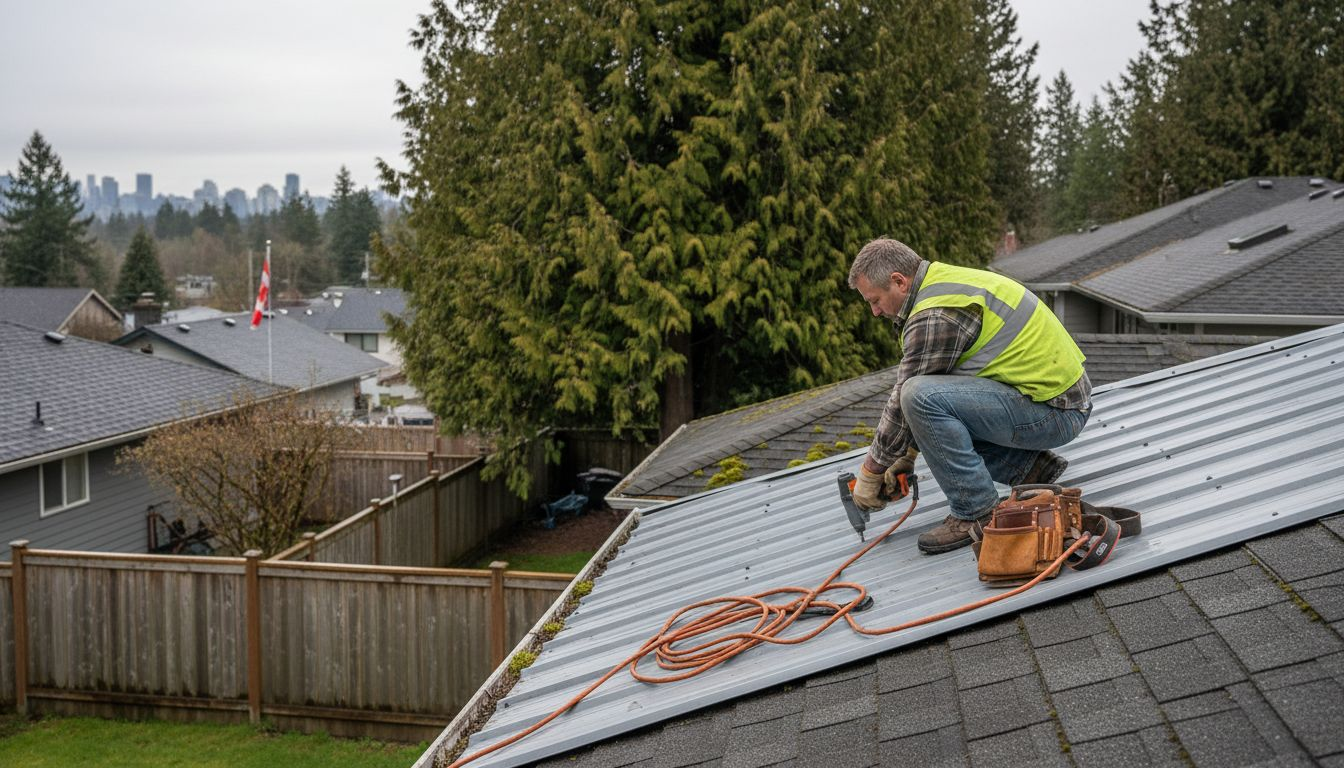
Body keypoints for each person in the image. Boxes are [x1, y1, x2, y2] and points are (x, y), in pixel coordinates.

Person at [847, 238, 1092, 554]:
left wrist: (871, 473)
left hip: (1055, 412)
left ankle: (975, 512)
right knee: (928, 395)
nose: (875, 311)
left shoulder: (935, 313)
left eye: (876, 300)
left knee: (918, 396)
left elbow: (905, 400)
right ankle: (1029, 468)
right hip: (1057, 401)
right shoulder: (942, 282)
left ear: (899, 281)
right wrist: (905, 455)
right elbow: (942, 386)